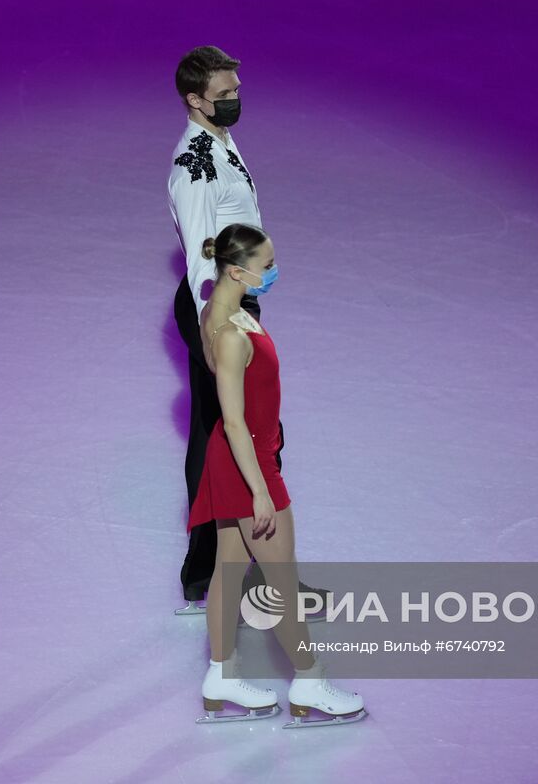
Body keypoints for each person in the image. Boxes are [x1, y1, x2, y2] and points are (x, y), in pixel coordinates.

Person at [168, 45, 327, 615]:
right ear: (195, 99)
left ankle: (209, 574)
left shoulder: (220, 142)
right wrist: (219, 323)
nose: (235, 100)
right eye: (224, 94)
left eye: (237, 90)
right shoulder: (193, 164)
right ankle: (242, 575)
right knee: (243, 437)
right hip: (217, 306)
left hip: (235, 299)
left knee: (226, 437)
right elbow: (196, 250)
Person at [189, 223, 367, 728]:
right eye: (266, 266)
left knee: (228, 569)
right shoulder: (227, 336)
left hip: (241, 459)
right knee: (281, 582)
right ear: (236, 269)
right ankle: (310, 683)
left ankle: (221, 675)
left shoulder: (226, 310)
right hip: (250, 464)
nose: (273, 273)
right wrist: (260, 492)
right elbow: (234, 420)